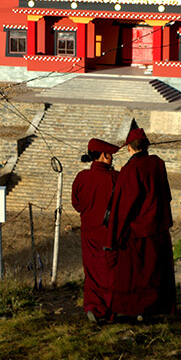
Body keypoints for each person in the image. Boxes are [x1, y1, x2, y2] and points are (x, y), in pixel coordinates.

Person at [106, 127, 176, 320]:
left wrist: (117, 233)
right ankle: (159, 308)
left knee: (138, 273)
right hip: (159, 226)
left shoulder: (131, 169)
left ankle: (139, 309)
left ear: (129, 148)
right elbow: (166, 195)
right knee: (158, 270)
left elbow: (126, 204)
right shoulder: (158, 163)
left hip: (138, 230)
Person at [71, 138, 120, 323]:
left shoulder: (81, 178)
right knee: (109, 272)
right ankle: (107, 311)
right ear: (104, 156)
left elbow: (76, 204)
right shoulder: (116, 178)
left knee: (91, 272)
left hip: (88, 233)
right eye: (110, 156)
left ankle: (92, 306)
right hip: (109, 233)